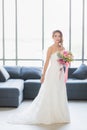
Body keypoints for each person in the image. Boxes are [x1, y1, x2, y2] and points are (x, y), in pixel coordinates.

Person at [8, 30, 70, 125]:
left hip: (60, 74)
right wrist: (43, 75)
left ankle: (59, 115)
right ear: (52, 37)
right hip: (52, 73)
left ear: (61, 38)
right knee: (50, 93)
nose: (57, 38)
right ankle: (48, 115)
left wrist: (66, 62)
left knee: (59, 92)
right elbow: (46, 63)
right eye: (55, 36)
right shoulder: (50, 48)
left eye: (59, 36)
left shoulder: (63, 48)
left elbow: (65, 61)